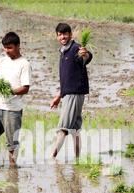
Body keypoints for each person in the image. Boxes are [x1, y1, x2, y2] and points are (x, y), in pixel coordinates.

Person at [0, 31, 31, 166]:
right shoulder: (2, 60)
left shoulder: (24, 64)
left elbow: (25, 88)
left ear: (18, 46)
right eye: (5, 48)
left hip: (13, 109)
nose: (7, 51)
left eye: (10, 47)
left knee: (12, 143)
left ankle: (13, 170)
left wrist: (9, 91)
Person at [50, 23, 93, 159]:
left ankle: (52, 158)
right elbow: (66, 79)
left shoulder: (76, 48)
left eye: (65, 34)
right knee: (75, 130)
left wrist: (85, 54)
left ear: (70, 35)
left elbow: (86, 57)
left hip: (75, 94)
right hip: (69, 93)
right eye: (60, 34)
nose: (63, 37)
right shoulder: (63, 51)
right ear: (57, 36)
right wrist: (59, 96)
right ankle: (78, 160)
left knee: (63, 128)